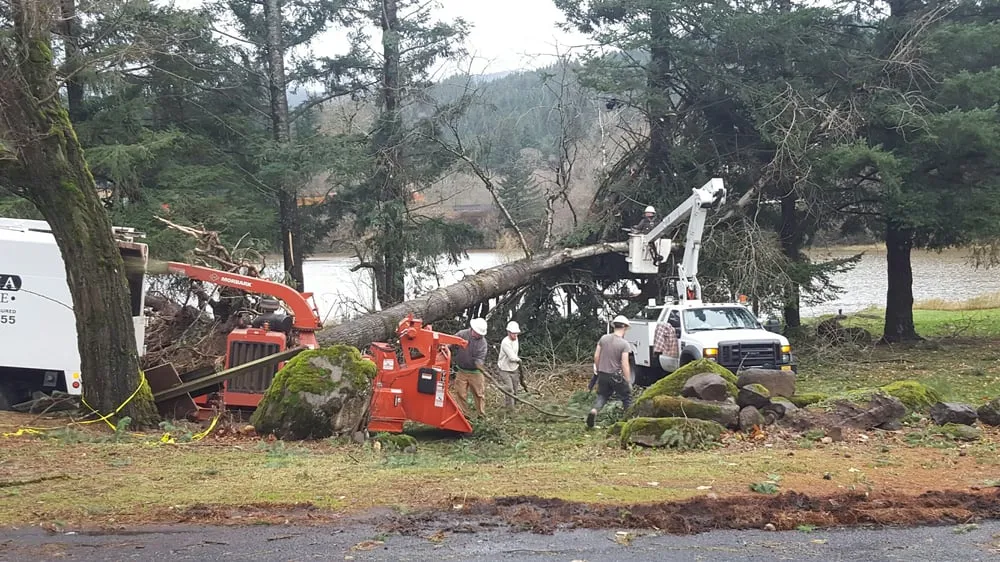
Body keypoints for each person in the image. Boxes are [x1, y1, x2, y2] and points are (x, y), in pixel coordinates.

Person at [587, 315, 634, 429]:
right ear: (625, 327)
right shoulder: (624, 344)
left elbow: (596, 356)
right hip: (615, 376)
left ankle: (594, 411)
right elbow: (625, 364)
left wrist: (598, 370)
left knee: (602, 395)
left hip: (602, 374)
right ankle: (630, 422)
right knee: (626, 396)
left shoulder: (603, 338)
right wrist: (628, 381)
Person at [452, 317, 489, 417]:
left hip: (475, 372)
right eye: (476, 332)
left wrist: (478, 364)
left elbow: (480, 359)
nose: (477, 335)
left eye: (479, 334)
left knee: (479, 394)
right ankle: (464, 415)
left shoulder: (483, 343)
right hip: (462, 370)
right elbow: (451, 341)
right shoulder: (462, 334)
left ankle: (481, 415)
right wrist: (445, 346)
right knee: (460, 393)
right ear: (472, 328)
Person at [496, 321, 522, 410]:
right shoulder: (505, 342)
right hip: (504, 369)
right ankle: (510, 410)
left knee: (515, 388)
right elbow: (512, 357)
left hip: (514, 368)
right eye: (513, 334)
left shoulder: (516, 339)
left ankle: (515, 405)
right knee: (509, 389)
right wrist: (519, 360)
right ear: (508, 332)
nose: (515, 335)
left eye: (516, 333)